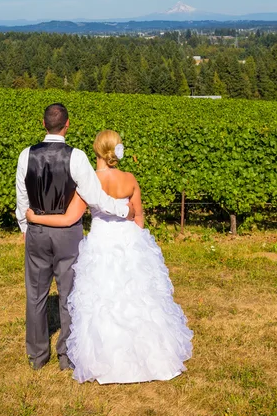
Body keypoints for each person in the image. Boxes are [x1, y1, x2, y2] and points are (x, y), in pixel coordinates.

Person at [26, 129, 193, 384]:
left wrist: (35, 218)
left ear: (96, 150)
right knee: (138, 298)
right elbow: (137, 217)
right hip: (129, 241)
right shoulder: (130, 178)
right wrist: (131, 243)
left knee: (102, 299)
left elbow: (71, 218)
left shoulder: (90, 181)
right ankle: (150, 355)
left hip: (101, 242)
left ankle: (104, 358)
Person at [16, 105, 135, 371]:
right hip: (67, 234)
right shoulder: (77, 157)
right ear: (67, 124)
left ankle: (37, 357)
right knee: (69, 293)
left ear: (43, 124)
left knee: (35, 295)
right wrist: (123, 209)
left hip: (37, 229)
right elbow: (95, 197)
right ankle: (66, 356)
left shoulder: (26, 155)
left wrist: (26, 228)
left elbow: (21, 197)